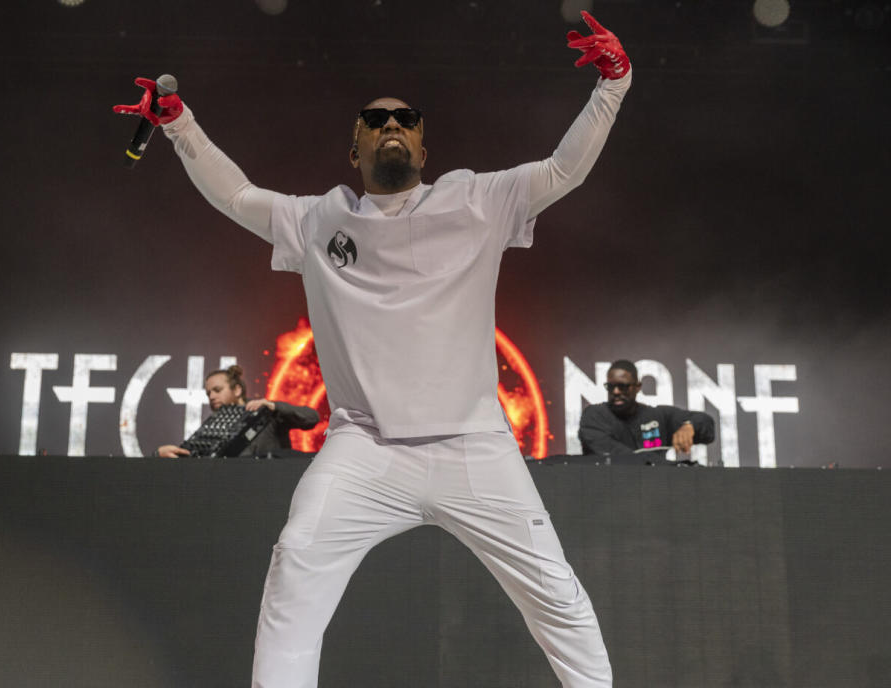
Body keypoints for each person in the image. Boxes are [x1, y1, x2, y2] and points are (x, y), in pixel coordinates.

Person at [115, 11, 630, 687]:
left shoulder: (480, 200)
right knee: (294, 567)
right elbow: (237, 194)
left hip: (476, 446)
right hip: (364, 449)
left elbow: (566, 168)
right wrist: (179, 125)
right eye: (376, 118)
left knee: (557, 597)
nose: (392, 123)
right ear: (353, 150)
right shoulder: (318, 218)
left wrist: (613, 84)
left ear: (423, 148)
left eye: (406, 119)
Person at [157, 364, 319, 458]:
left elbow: (311, 418)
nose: (211, 396)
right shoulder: (213, 427)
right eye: (208, 393)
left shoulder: (267, 413)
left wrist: (274, 406)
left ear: (237, 390)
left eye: (217, 390)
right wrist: (159, 455)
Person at [579, 359, 715, 457]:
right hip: (610, 489)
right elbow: (612, 453)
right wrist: (652, 464)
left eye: (623, 386)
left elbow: (707, 424)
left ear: (638, 387)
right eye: (610, 386)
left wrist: (689, 426)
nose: (615, 392)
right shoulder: (595, 415)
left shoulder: (657, 416)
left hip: (653, 490)